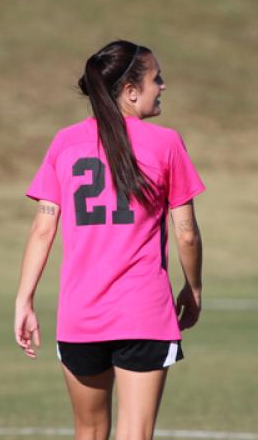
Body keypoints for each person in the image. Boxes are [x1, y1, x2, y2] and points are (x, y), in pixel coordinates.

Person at [14, 39, 205, 440]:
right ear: (131, 92)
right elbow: (186, 233)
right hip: (143, 315)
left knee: (89, 431)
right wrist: (194, 287)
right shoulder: (166, 143)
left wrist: (24, 300)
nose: (163, 86)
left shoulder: (64, 143)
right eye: (157, 79)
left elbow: (42, 228)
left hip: (79, 316)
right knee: (135, 433)